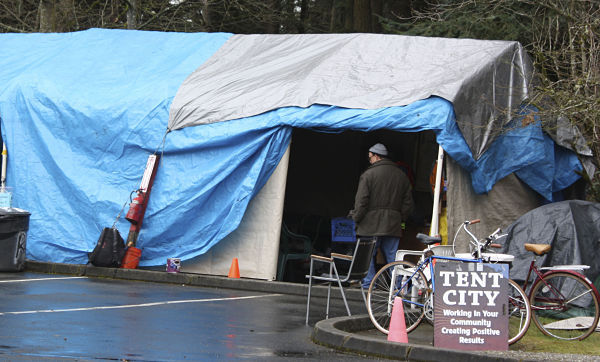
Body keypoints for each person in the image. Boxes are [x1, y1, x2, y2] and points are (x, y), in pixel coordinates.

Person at [349, 143, 414, 289]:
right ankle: (399, 287)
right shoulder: (401, 176)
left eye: (370, 157)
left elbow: (361, 202)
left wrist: (355, 218)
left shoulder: (368, 175)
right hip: (393, 225)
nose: (369, 160)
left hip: (370, 225)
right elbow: (408, 203)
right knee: (393, 258)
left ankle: (369, 285)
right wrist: (400, 218)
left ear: (377, 156)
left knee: (368, 256)